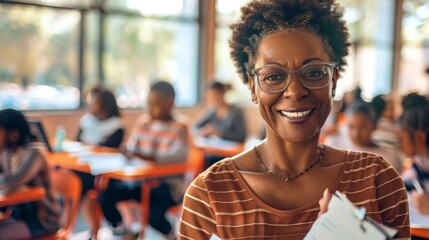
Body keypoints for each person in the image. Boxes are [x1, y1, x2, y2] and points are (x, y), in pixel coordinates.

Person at [179, 0, 410, 239]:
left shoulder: (376, 180)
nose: (295, 91)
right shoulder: (210, 195)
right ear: (252, 88)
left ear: (333, 81)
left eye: (313, 73)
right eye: (274, 76)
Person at [99, 81, 191, 239]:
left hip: (167, 187)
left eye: (156, 104)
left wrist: (142, 156)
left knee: (153, 214)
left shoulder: (180, 127)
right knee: (107, 194)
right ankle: (125, 229)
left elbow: (177, 158)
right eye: (149, 103)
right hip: (140, 181)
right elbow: (133, 147)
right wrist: (128, 152)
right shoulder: (144, 122)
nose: (150, 108)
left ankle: (171, 234)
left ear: (170, 102)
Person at [0, 109, 60, 238]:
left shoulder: (34, 153)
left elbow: (11, 184)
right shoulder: (6, 154)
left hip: (42, 221)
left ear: (14, 135)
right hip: (18, 217)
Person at [325, 102, 403, 172]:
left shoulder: (387, 158)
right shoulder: (335, 144)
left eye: (363, 127)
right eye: (351, 127)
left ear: (374, 126)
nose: (356, 134)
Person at [399, 93, 429, 216]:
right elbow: (408, 178)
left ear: (420, 137)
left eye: (402, 140)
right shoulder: (421, 159)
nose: (400, 145)